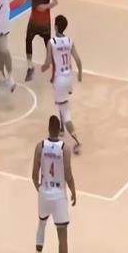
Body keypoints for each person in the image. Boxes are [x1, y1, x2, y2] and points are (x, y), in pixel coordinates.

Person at [32, 115, 76, 253]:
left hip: (44, 194)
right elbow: (68, 175)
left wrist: (40, 189)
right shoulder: (65, 148)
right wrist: (73, 191)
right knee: (62, 237)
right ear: (59, 130)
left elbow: (34, 175)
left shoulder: (40, 146)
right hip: (59, 197)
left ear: (48, 128)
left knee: (41, 224)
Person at [41, 15, 82, 154]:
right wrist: (80, 73)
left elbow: (47, 63)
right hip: (69, 77)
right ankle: (62, 129)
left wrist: (42, 68)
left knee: (65, 112)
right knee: (62, 101)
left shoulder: (51, 42)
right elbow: (78, 59)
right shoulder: (69, 40)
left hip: (59, 80)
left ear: (56, 26)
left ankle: (76, 140)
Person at [24, 0, 58, 82]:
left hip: (44, 21)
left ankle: (55, 70)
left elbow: (55, 1)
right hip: (34, 18)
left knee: (48, 46)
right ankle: (30, 67)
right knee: (28, 40)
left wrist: (45, 6)